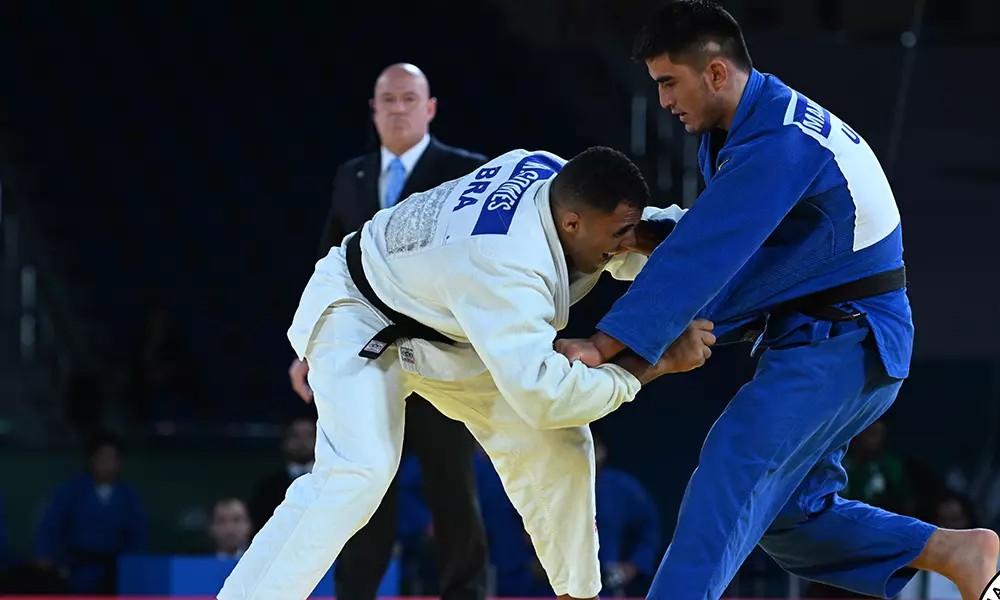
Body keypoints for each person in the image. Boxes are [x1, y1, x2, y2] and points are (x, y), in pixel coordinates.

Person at [556, 3, 1000, 599]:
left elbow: (710, 254)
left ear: (715, 73)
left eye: (668, 82)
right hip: (816, 337)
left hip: (846, 337)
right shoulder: (745, 129)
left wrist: (606, 343)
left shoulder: (779, 140)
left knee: (730, 467)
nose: (663, 101)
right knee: (792, 519)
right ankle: (954, 551)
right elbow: (741, 238)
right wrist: (648, 237)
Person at [219, 145, 714, 600]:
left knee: (559, 441)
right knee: (359, 471)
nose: (627, 245)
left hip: (445, 321)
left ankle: (579, 595)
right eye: (618, 236)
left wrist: (694, 234)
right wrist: (653, 364)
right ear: (570, 224)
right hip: (359, 312)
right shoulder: (506, 264)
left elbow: (642, 231)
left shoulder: (556, 179)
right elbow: (546, 395)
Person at [289, 62, 491, 600]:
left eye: (409, 99)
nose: (398, 108)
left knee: (453, 490)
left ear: (429, 109)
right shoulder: (351, 176)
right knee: (362, 488)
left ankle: (467, 595)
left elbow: (478, 264)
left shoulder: (465, 172)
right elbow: (327, 266)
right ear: (374, 110)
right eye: (388, 99)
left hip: (441, 356)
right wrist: (309, 344)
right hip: (365, 363)